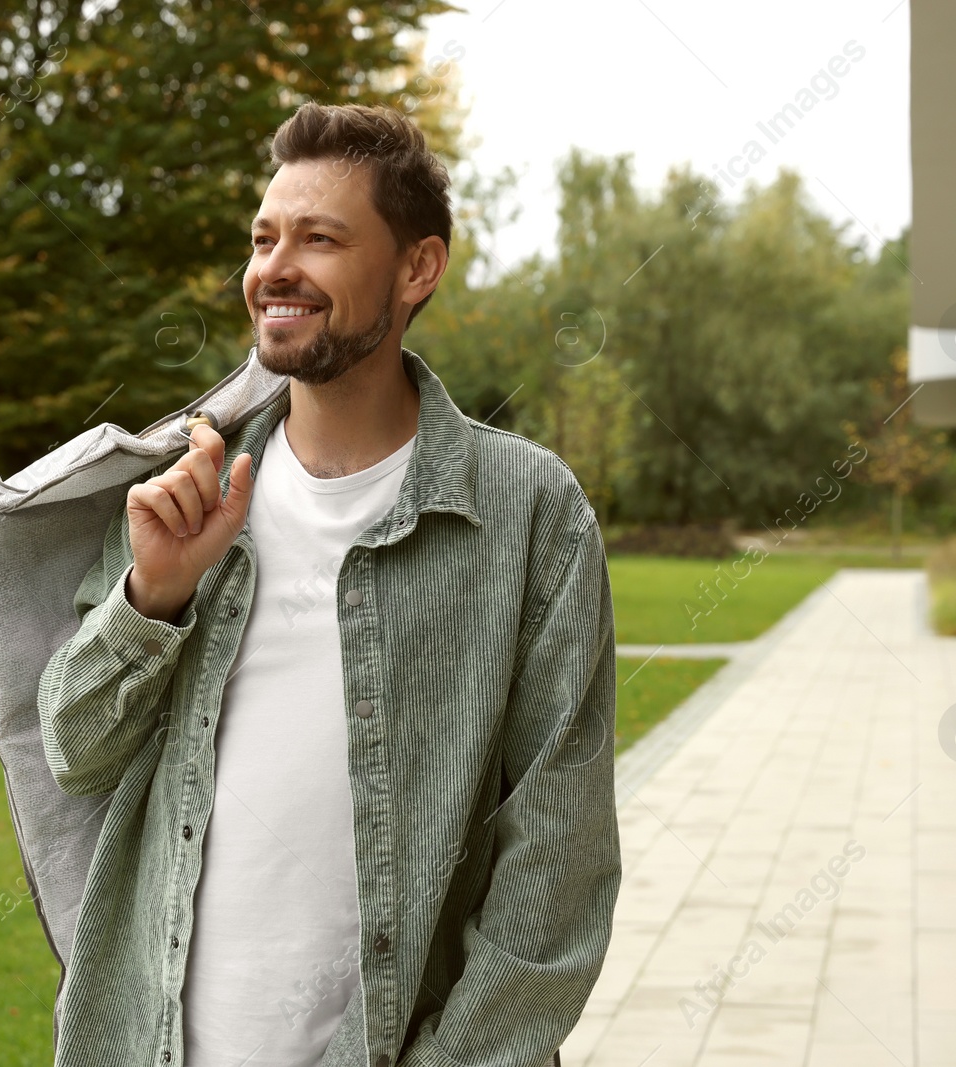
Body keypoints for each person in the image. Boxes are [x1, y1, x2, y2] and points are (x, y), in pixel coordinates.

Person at [36, 100, 620, 1067]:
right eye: (264, 238)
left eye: (319, 238)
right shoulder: (188, 496)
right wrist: (153, 601)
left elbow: (556, 871)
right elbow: (74, 750)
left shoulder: (530, 515)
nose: (273, 268)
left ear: (417, 268)